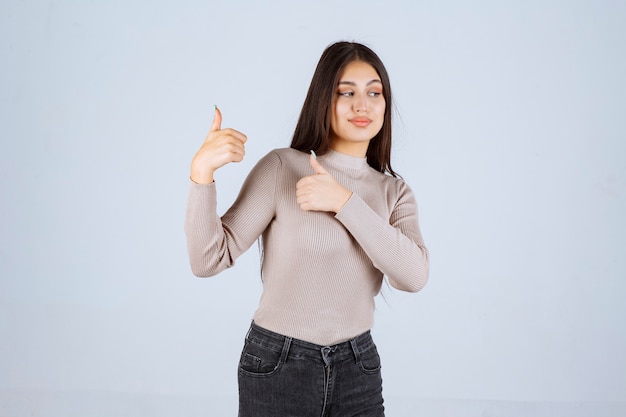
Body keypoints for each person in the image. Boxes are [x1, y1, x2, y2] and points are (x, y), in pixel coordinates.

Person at [185, 41, 429, 417]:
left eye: (374, 92)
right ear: (322, 100)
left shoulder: (394, 192)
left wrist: (345, 203)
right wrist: (201, 176)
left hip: (357, 366)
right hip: (279, 364)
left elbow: (413, 276)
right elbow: (209, 259)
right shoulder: (283, 167)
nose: (361, 104)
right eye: (345, 92)